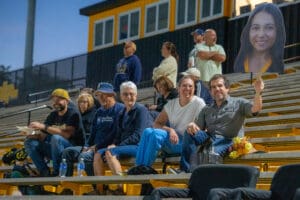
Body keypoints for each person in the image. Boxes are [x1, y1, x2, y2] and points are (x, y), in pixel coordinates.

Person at [180, 74, 264, 173]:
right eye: (213, 87)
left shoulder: (239, 103)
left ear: (227, 88)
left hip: (229, 140)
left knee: (211, 152)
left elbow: (255, 109)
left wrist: (258, 92)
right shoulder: (206, 109)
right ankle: (185, 170)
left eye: (220, 86)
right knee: (189, 132)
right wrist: (192, 125)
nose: (217, 89)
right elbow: (198, 128)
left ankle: (203, 175)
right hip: (210, 139)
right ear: (211, 92)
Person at [92, 81, 152, 195]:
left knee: (110, 152)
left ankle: (121, 189)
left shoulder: (141, 110)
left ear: (136, 95)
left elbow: (139, 135)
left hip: (138, 147)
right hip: (123, 147)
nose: (129, 97)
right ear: (121, 96)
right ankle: (99, 190)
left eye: (131, 94)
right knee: (98, 153)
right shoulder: (122, 113)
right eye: (125, 94)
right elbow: (118, 135)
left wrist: (118, 146)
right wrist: (113, 144)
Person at [135, 76, 206, 167]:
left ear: (194, 88)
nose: (187, 88)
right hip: (173, 140)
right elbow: (157, 123)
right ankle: (138, 167)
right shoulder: (172, 104)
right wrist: (170, 130)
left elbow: (204, 126)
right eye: (184, 86)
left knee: (155, 135)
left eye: (190, 86)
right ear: (178, 88)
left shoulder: (199, 103)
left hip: (187, 143)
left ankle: (145, 168)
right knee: (147, 131)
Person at [61, 83, 124, 177]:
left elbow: (115, 133)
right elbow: (93, 132)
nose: (101, 98)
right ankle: (67, 185)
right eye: (99, 95)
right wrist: (86, 146)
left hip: (107, 147)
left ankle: (98, 187)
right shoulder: (99, 112)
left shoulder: (120, 109)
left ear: (112, 95)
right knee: (68, 152)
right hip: (93, 147)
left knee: (84, 157)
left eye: (104, 95)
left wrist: (96, 146)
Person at [24, 88, 85, 177]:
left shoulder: (73, 113)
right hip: (56, 150)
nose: (55, 102)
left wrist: (43, 126)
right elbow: (42, 136)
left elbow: (67, 135)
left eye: (58, 100)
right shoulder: (52, 115)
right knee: (29, 142)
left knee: (56, 138)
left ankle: (57, 172)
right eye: (54, 100)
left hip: (73, 149)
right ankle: (44, 172)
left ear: (67, 101)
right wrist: (31, 134)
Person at [234, 3, 286, 74]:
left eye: (269, 27)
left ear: (278, 31)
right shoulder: (239, 63)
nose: (261, 34)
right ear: (248, 31)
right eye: (256, 28)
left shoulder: (281, 67)